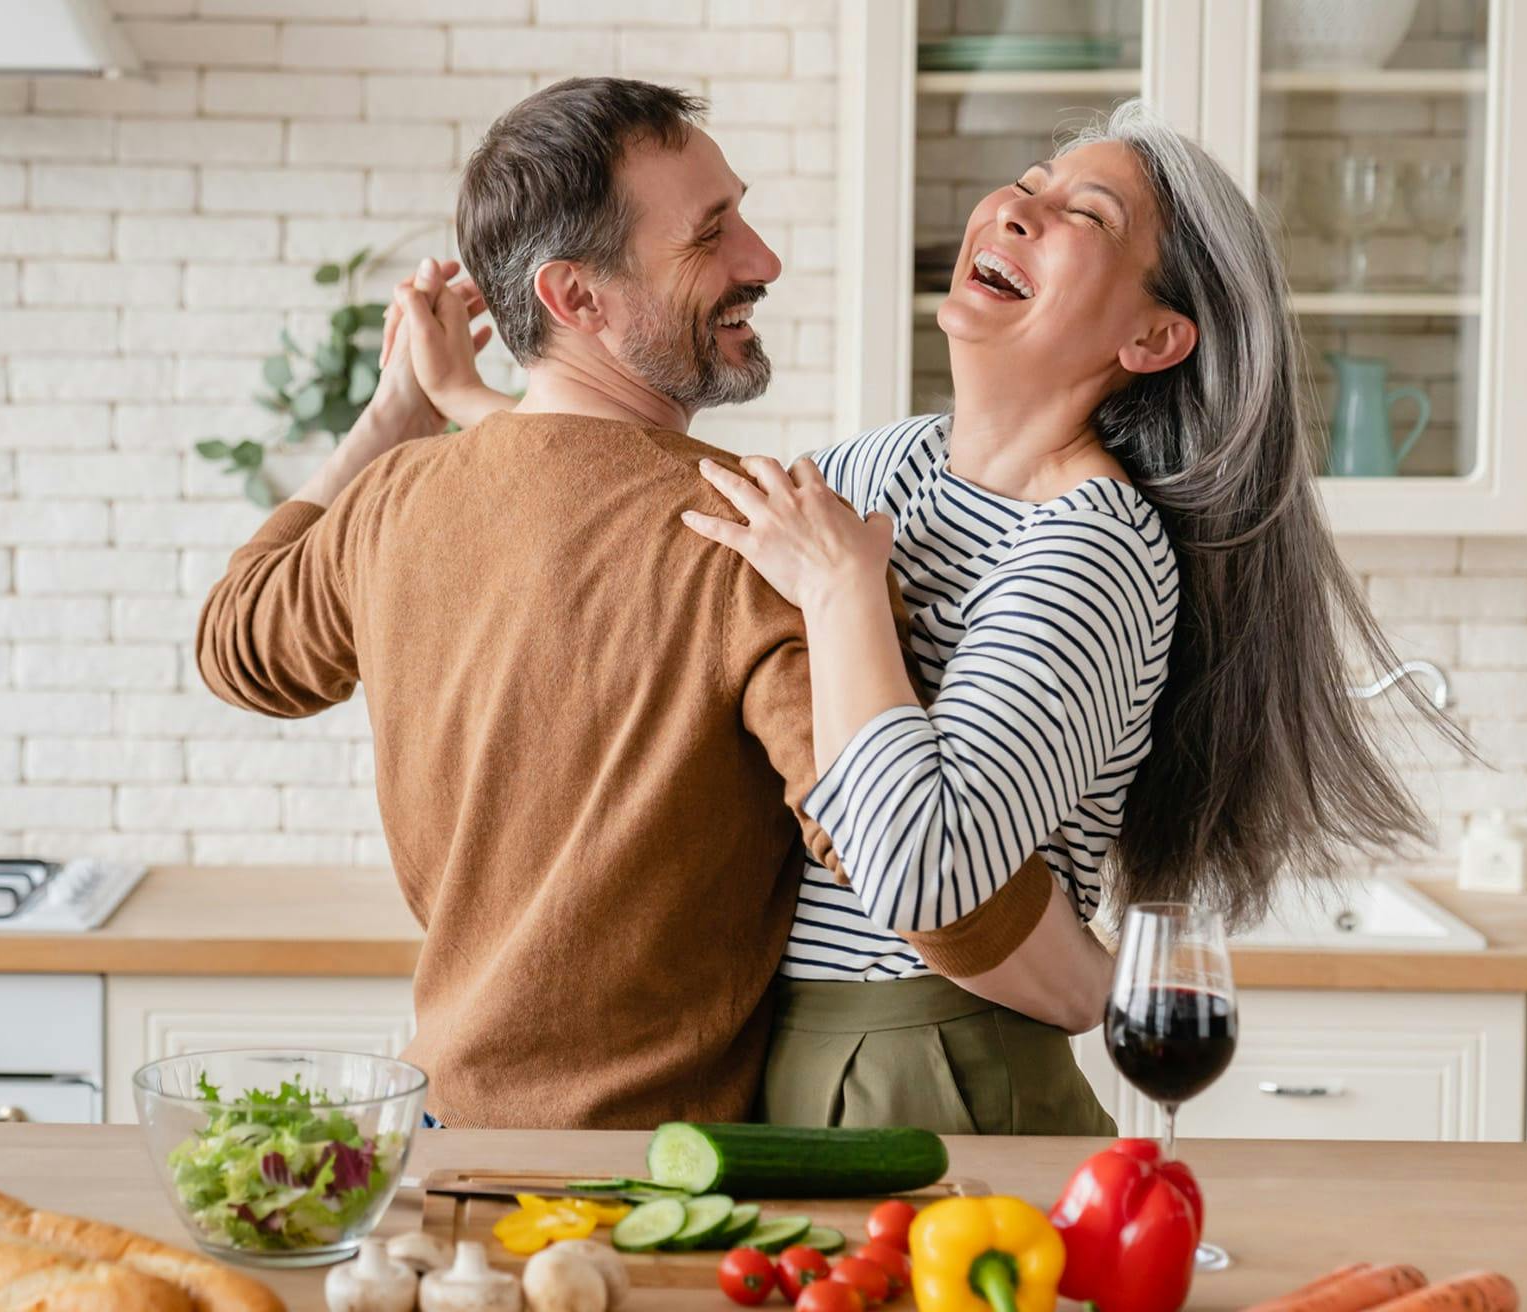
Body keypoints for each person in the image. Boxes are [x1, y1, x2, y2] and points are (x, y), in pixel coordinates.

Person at [396, 100, 1445, 1135]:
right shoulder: (887, 464)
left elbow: (927, 872)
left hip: (938, 1062)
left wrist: (847, 595)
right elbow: (669, 512)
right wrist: (473, 400)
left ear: (1154, 335)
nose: (1018, 210)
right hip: (789, 1053)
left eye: (1088, 216)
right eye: (1029, 184)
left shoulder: (1091, 548)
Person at [195, 78, 1052, 1131]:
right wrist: (1112, 985)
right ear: (577, 298)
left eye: (738, 210)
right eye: (710, 236)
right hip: (643, 1186)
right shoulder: (745, 537)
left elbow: (236, 643)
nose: (763, 259)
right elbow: (926, 878)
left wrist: (391, 417)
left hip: (437, 1139)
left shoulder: (394, 502)